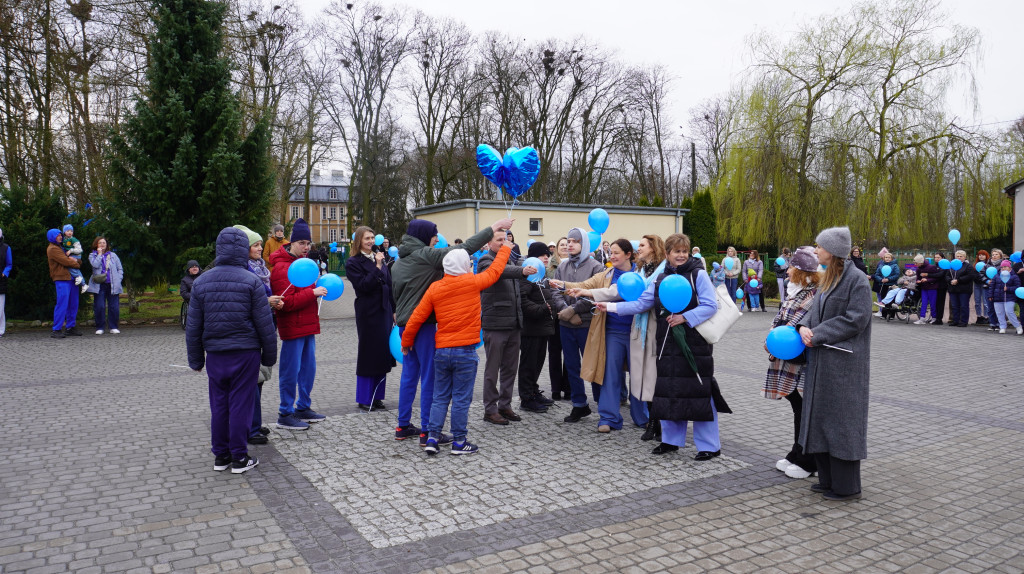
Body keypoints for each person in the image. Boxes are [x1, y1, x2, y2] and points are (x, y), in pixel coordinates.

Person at [597, 233, 730, 460]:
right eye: (676, 251)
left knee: (698, 391)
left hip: (693, 343)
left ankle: (709, 445)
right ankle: (670, 441)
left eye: (684, 251)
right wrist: (609, 307)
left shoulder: (698, 273)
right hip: (666, 342)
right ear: (667, 254)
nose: (681, 255)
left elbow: (710, 305)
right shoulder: (660, 278)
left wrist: (685, 317)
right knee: (669, 390)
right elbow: (641, 303)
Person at [392, 216, 514, 446]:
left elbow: (396, 295)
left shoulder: (399, 262)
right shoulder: (425, 256)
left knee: (409, 377)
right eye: (433, 235)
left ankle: (402, 425)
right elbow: (463, 249)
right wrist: (494, 227)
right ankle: (427, 431)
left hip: (405, 326)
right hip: (425, 327)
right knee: (430, 379)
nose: (436, 239)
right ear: (422, 236)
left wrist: (405, 334)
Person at [186, 226, 278, 474]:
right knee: (241, 404)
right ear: (241, 250)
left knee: (219, 404)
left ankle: (221, 456)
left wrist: (195, 360)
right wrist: (269, 356)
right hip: (245, 352)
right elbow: (264, 323)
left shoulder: (201, 282)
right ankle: (239, 456)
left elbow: (193, 326)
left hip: (215, 354)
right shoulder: (251, 281)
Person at [796, 226, 872, 501]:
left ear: (834, 251)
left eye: (819, 246)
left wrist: (818, 334)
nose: (815, 250)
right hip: (821, 360)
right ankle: (828, 480)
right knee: (821, 418)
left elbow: (856, 319)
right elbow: (814, 311)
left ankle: (846, 486)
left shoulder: (857, 280)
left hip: (843, 365)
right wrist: (804, 327)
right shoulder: (827, 278)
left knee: (842, 422)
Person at [561, 238, 648, 432]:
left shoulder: (640, 275)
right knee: (610, 375)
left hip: (636, 331)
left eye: (617, 253)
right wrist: (562, 284)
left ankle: (642, 417)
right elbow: (586, 284)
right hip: (613, 331)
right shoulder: (606, 273)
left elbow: (612, 293)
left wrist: (586, 291)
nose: (612, 256)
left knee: (638, 375)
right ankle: (609, 418)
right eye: (611, 252)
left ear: (628, 254)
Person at [762, 246, 820, 480]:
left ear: (801, 270)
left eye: (791, 267)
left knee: (804, 408)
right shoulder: (797, 290)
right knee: (798, 405)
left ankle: (809, 459)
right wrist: (770, 337)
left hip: (801, 359)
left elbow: (795, 322)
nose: (787, 272)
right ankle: (798, 451)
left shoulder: (813, 293)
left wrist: (777, 335)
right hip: (788, 357)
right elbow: (780, 317)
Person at [269, 218, 329, 430]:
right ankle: (285, 412)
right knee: (290, 371)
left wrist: (317, 289)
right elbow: (285, 303)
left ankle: (303, 407)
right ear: (291, 243)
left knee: (308, 369)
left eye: (308, 243)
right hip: (292, 328)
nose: (306, 248)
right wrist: (312, 293)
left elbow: (304, 292)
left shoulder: (303, 265)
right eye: (301, 243)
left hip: (308, 325)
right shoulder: (281, 268)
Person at [232, 225, 284, 446]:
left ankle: (255, 421)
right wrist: (267, 302)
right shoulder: (243, 271)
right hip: (250, 332)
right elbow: (243, 302)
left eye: (261, 244)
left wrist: (274, 303)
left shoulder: (260, 268)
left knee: (260, 379)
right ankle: (250, 428)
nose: (260, 248)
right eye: (256, 245)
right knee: (252, 380)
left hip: (265, 327)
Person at [478, 229, 537, 425]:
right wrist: (522, 271)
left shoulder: (510, 260)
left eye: (506, 239)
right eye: (499, 240)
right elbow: (499, 271)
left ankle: (505, 405)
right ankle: (490, 409)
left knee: (510, 369)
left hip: (513, 323)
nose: (504, 243)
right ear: (489, 243)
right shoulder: (485, 260)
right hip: (495, 325)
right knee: (492, 370)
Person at [549, 227, 605, 423]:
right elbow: (555, 291)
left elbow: (596, 292)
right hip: (567, 325)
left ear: (584, 244)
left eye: (575, 241)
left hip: (587, 323)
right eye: (568, 241)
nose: (570, 244)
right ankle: (579, 404)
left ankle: (603, 405)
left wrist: (574, 310)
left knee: (593, 365)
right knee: (572, 366)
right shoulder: (562, 267)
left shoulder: (596, 267)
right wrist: (565, 311)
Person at [346, 226, 397, 410]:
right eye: (367, 238)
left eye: (372, 237)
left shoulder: (380, 258)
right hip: (368, 312)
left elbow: (389, 285)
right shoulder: (353, 262)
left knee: (382, 353)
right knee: (369, 353)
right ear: (359, 240)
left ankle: (377, 397)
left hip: (384, 310)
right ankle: (364, 398)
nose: (370, 241)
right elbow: (364, 286)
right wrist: (376, 267)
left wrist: (394, 309)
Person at [517, 242, 557, 413]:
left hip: (542, 328)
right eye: (542, 255)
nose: (546, 258)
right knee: (528, 364)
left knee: (538, 363)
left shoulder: (542, 276)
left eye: (547, 254)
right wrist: (542, 309)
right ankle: (526, 398)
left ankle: (533, 391)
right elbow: (523, 302)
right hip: (530, 329)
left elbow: (544, 297)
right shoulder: (527, 276)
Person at [46, 228, 82, 338]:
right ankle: (56, 329)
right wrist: (77, 263)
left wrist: (76, 261)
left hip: (70, 278)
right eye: (58, 236)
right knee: (62, 304)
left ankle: (70, 327)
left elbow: (73, 258)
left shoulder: (61, 247)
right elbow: (66, 261)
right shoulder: (52, 249)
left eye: (61, 235)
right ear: (52, 237)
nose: (61, 237)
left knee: (73, 304)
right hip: (61, 279)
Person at [85, 237, 124, 335]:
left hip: (113, 285)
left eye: (104, 243)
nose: (102, 244)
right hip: (99, 285)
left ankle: (113, 326)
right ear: (96, 245)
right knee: (99, 306)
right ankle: (100, 327)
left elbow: (120, 268)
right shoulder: (92, 255)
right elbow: (95, 265)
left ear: (107, 244)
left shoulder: (113, 255)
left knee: (114, 307)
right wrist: (99, 254)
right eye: (100, 243)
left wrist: (119, 279)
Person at [946, 250, 978, 328]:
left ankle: (963, 321)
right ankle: (955, 320)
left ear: (964, 257)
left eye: (961, 256)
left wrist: (958, 280)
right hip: (953, 289)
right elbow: (947, 275)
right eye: (958, 256)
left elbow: (970, 276)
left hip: (964, 290)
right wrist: (950, 280)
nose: (959, 258)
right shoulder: (951, 266)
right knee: (954, 306)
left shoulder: (968, 266)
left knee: (964, 306)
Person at [988, 260, 1022, 334]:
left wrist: (1008, 288)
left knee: (1009, 312)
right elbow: (992, 286)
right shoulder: (997, 275)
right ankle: (1002, 326)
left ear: (1009, 267)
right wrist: (990, 295)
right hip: (998, 297)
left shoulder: (1014, 276)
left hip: (1009, 298)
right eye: (1002, 267)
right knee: (999, 313)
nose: (1003, 268)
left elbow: (1017, 287)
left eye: (1005, 266)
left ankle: (1018, 326)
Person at [59, 224, 88, 294]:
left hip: (76, 256)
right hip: (71, 255)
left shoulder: (74, 239)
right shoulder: (64, 239)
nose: (70, 232)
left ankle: (79, 277)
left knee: (70, 266)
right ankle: (84, 284)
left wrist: (71, 250)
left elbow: (80, 250)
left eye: (71, 231)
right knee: (73, 268)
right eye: (68, 231)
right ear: (64, 232)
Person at [913, 254, 940, 325]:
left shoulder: (931, 267)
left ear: (921, 262)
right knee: (923, 303)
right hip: (924, 288)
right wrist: (918, 281)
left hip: (932, 288)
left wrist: (927, 280)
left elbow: (936, 278)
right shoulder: (918, 269)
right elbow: (918, 278)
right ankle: (922, 318)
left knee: (932, 303)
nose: (915, 264)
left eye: (916, 263)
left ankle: (934, 318)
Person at [871, 251, 898, 317]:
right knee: (883, 299)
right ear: (884, 258)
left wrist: (888, 279)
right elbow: (877, 274)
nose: (887, 259)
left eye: (889, 257)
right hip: (883, 285)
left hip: (891, 285)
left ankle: (891, 315)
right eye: (886, 257)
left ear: (891, 258)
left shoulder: (895, 266)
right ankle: (884, 314)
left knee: (891, 299)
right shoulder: (881, 265)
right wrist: (881, 279)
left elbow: (896, 275)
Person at [984, 249, 1004, 331]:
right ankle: (992, 323)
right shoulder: (986, 265)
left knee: (999, 307)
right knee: (990, 306)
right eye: (993, 254)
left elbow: (1006, 275)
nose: (994, 256)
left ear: (1000, 256)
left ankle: (1000, 323)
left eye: (996, 254)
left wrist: (996, 281)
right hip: (988, 287)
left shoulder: (1004, 265)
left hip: (999, 288)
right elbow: (981, 274)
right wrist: (987, 280)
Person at [973, 250, 990, 325]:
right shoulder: (975, 265)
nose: (981, 256)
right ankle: (979, 316)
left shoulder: (988, 265)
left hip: (985, 284)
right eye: (980, 255)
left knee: (985, 302)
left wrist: (984, 280)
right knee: (977, 301)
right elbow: (973, 274)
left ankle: (987, 316)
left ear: (986, 256)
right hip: (977, 284)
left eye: (983, 255)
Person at [931, 252, 948, 325]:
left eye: (938, 257)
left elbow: (940, 275)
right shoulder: (934, 266)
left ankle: (939, 319)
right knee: (934, 303)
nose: (937, 259)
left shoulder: (945, 266)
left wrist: (929, 274)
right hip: (934, 286)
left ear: (943, 258)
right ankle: (934, 317)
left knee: (940, 303)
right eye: (935, 257)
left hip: (942, 287)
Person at [0, 228, 10, 338]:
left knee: (0, 306)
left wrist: (5, 273)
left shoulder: (6, 248)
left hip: (1, 279)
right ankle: (1, 329)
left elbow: (9, 264)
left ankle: (1, 329)